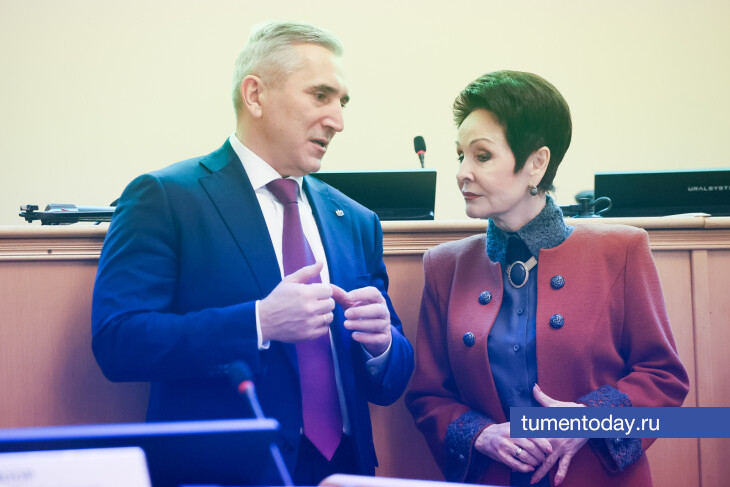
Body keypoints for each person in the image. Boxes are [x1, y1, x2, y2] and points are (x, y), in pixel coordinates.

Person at [92, 20, 413, 486]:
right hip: (225, 474)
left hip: (344, 471)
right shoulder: (165, 197)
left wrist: (382, 345)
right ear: (255, 95)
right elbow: (118, 342)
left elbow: (391, 380)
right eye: (320, 95)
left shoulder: (357, 221)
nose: (338, 121)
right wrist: (259, 322)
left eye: (342, 103)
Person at [405, 71, 689, 487]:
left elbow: (665, 380)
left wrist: (591, 420)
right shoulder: (444, 266)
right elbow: (428, 396)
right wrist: (481, 436)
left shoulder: (622, 250)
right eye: (460, 155)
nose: (462, 172)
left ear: (537, 163)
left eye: (482, 156)